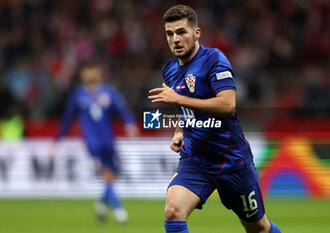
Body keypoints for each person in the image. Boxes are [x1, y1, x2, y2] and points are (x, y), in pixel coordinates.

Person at [149, 5, 281, 233]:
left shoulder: (214, 60)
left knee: (258, 227)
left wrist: (178, 99)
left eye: (181, 32)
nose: (175, 39)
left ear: (196, 33)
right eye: (170, 34)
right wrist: (180, 130)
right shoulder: (170, 69)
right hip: (195, 159)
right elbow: (186, 105)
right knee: (173, 211)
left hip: (231, 161)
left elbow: (228, 105)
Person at [53, 61, 138, 225]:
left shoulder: (109, 92)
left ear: (99, 73)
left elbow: (122, 110)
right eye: (87, 71)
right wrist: (56, 141)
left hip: (109, 141)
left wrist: (130, 123)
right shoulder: (78, 95)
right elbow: (67, 120)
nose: (90, 74)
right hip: (92, 143)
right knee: (107, 174)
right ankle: (120, 212)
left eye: (93, 71)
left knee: (111, 175)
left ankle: (100, 205)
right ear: (82, 75)